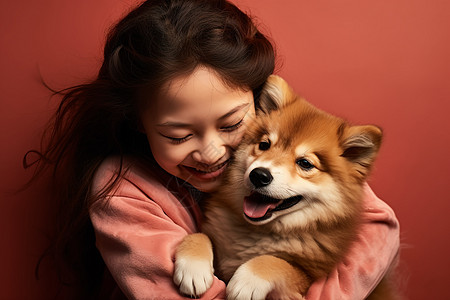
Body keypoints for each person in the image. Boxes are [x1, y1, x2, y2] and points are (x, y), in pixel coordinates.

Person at [27, 0, 400, 299]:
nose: (210, 152)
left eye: (232, 125)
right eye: (177, 136)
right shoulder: (121, 189)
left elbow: (377, 224)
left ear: (257, 104)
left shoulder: (283, 138)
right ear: (140, 123)